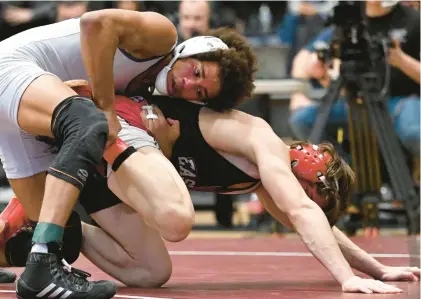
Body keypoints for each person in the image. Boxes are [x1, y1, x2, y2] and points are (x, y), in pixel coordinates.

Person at [4, 84, 418, 293]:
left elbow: (317, 224)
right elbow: (304, 213)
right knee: (174, 218)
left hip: (122, 166)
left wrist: (376, 269)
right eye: (309, 197)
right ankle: (72, 173)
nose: (299, 207)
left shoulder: (261, 179)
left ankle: (66, 223)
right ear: (303, 178)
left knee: (152, 273)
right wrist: (346, 280)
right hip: (120, 126)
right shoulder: (262, 142)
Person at [0, 8, 256, 299]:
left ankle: (36, 254)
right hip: (14, 67)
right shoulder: (161, 36)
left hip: (19, 115)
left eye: (199, 93)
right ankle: (41, 267)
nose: (188, 85)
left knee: (66, 238)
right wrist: (106, 109)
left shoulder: (142, 89)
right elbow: (95, 22)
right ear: (191, 49)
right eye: (196, 72)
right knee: (90, 121)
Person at [288, 1, 420, 158]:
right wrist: (300, 91)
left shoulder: (414, 20)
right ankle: (346, 173)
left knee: (414, 131)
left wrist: (401, 60)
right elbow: (302, 60)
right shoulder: (347, 22)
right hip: (353, 103)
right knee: (302, 120)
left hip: (399, 102)